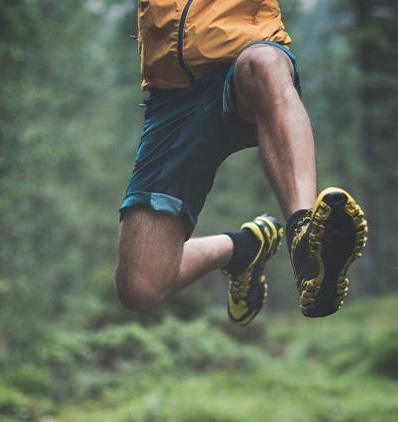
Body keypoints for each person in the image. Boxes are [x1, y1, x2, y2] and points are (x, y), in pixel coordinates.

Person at [116, 0, 368, 325]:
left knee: (264, 63)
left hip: (244, 61)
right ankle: (242, 248)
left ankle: (304, 235)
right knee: (139, 287)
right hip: (171, 100)